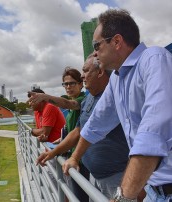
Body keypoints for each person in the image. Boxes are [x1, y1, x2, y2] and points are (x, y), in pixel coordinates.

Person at [63, 9, 172, 202]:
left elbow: (153, 133)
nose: (95, 52)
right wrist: (74, 158)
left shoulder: (154, 59)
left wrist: (123, 197)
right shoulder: (117, 78)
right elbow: (96, 123)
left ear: (116, 41)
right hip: (153, 191)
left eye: (97, 45)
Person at [31, 54, 129, 201]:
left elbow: (70, 105)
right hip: (94, 175)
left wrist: (46, 98)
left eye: (85, 71)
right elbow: (78, 131)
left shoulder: (113, 96)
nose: (83, 76)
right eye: (65, 84)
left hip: (116, 177)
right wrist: (53, 153)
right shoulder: (89, 98)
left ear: (100, 72)